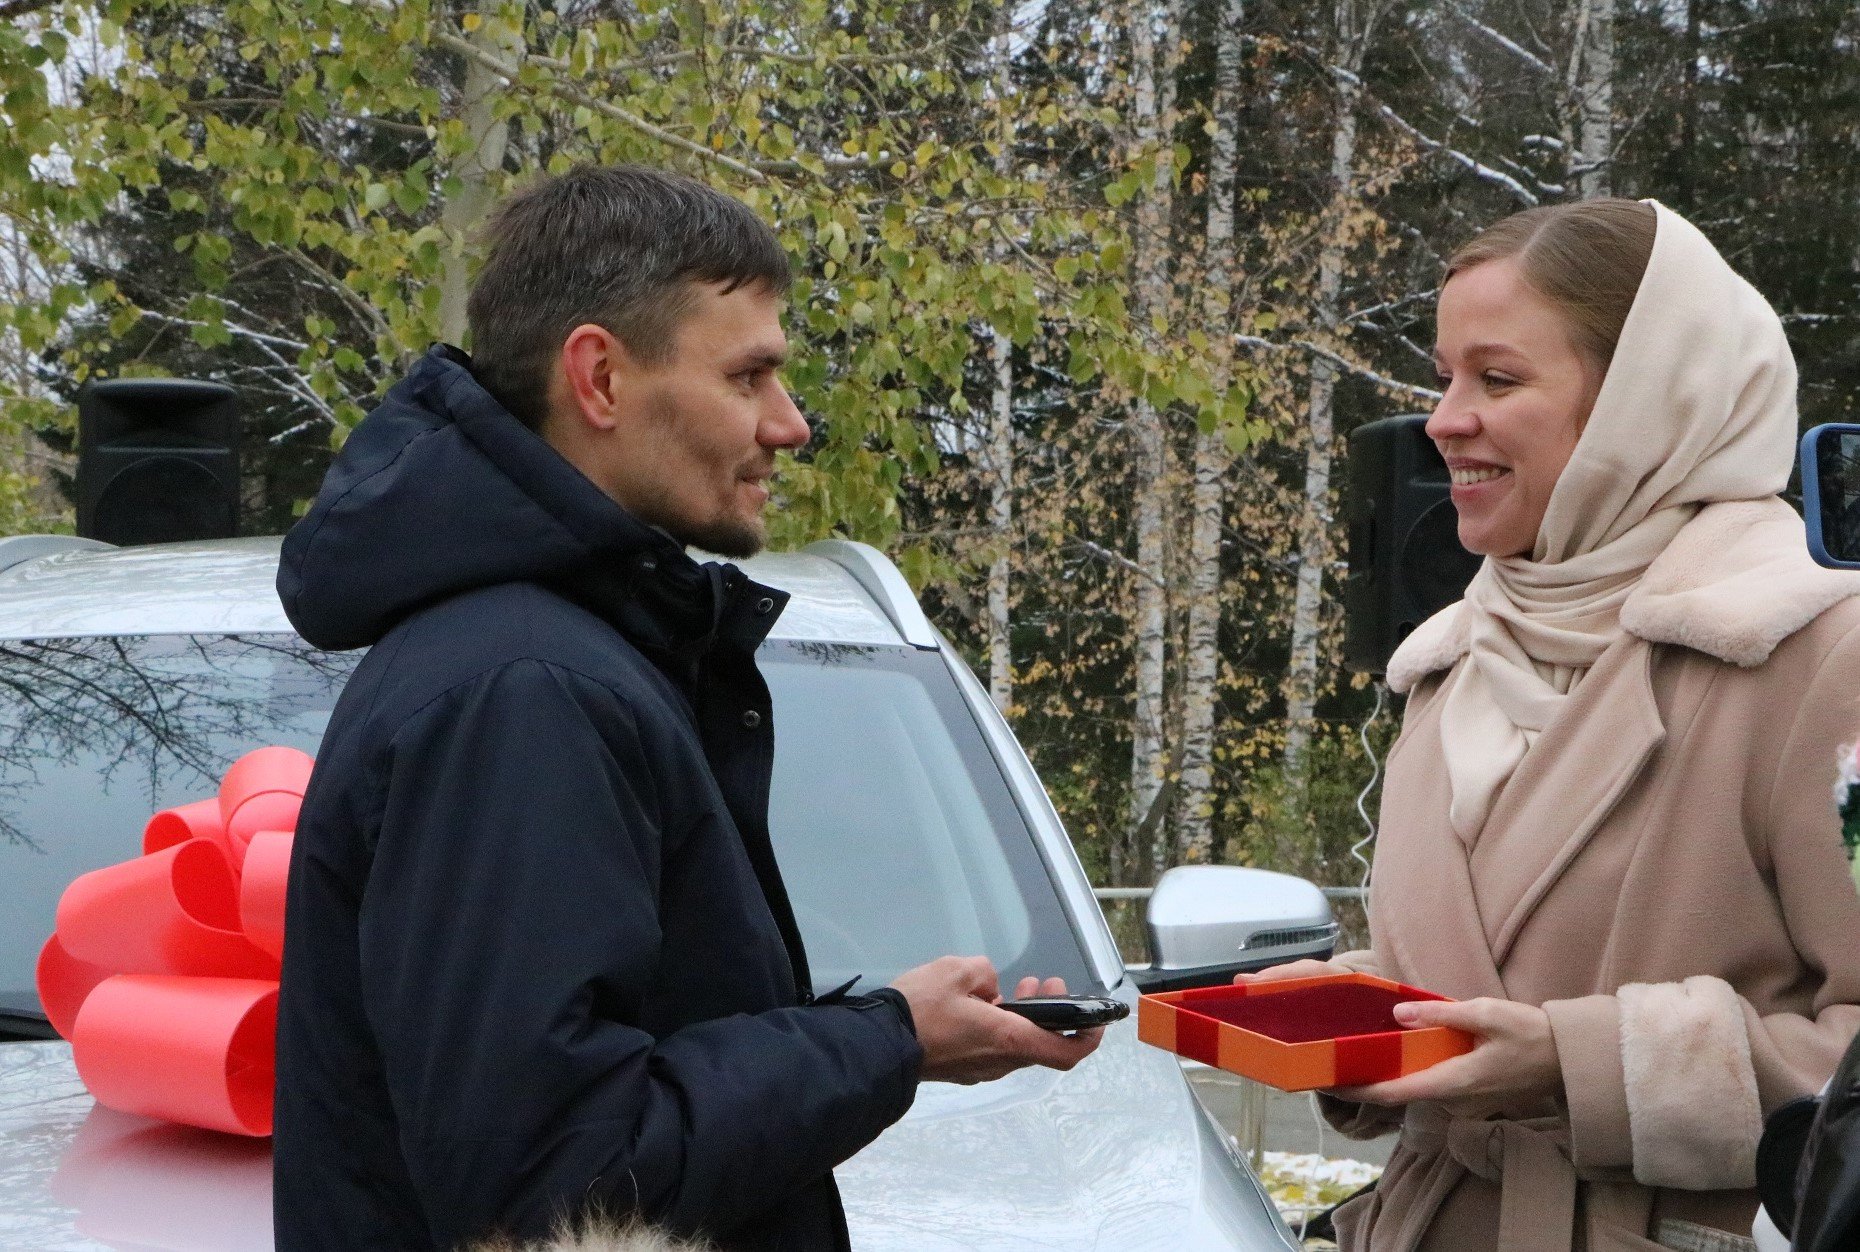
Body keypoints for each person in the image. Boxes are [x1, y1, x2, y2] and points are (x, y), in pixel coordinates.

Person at [270, 164, 1101, 1252]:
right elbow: (563, 1180)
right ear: (600, 378)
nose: (790, 425)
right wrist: (889, 1042)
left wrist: (884, 1033)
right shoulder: (524, 691)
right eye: (749, 376)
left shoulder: (560, 652)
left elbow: (611, 1074)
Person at [1245, 199, 1860, 1250]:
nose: (1443, 421)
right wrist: (1370, 1015)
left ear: (1645, 399)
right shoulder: (1451, 658)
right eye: (1444, 376)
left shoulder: (1818, 653)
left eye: (1497, 379)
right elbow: (1503, 968)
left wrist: (1580, 1064)